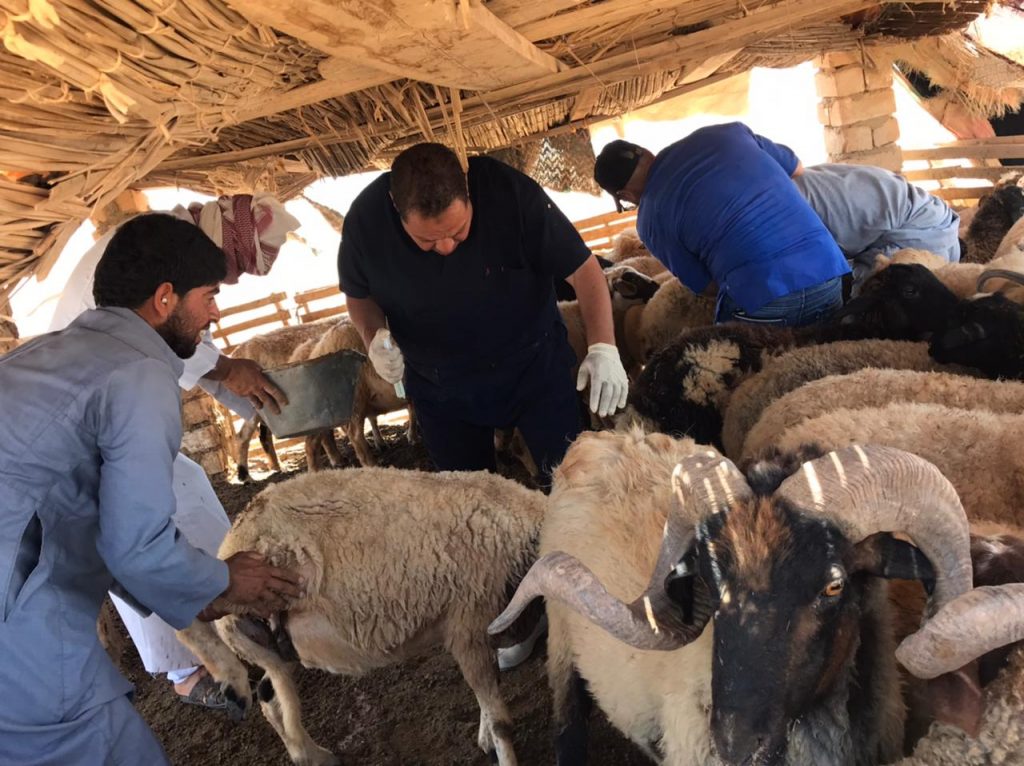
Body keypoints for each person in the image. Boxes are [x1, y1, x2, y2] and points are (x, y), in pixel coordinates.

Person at [0, 213, 304, 765]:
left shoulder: (48, 357)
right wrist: (224, 579)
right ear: (166, 298)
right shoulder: (137, 374)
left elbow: (88, 517)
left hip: (23, 580)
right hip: (17, 628)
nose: (215, 313)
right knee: (103, 745)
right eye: (209, 296)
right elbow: (135, 544)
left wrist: (201, 593)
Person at [338, 142, 628, 483]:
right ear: (394, 206)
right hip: (441, 386)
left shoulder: (511, 193)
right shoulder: (365, 223)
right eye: (427, 241)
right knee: (470, 497)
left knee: (573, 479)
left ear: (468, 189)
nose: (446, 247)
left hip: (534, 367)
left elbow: (583, 269)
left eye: (458, 231)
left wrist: (603, 347)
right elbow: (358, 295)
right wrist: (374, 337)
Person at [594, 122, 850, 327]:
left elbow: (706, 286)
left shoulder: (650, 220)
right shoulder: (726, 133)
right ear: (646, 152)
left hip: (765, 303)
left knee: (725, 365)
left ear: (625, 195)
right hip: (831, 274)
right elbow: (797, 168)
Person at [793, 162, 961, 287]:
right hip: (920, 215)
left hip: (923, 232)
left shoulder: (789, 206)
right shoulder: (787, 178)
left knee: (868, 300)